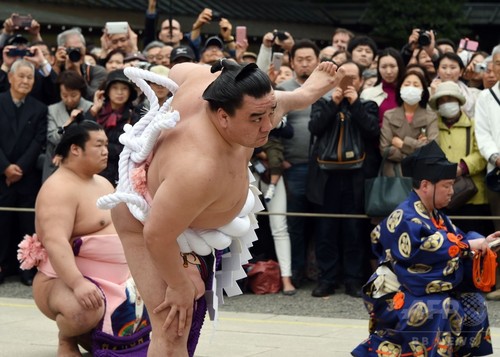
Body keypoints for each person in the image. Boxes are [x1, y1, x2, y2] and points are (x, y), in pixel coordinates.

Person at [105, 59, 343, 356]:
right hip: (148, 221)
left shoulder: (214, 83)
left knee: (268, 105)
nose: (268, 126)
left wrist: (303, 95)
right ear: (222, 116)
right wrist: (177, 284)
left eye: (270, 113)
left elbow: (179, 69)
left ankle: (300, 95)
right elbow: (157, 235)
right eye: (256, 118)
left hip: (190, 213)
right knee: (171, 329)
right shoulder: (198, 168)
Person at [352, 140, 499, 356]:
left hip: (422, 288)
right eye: (446, 186)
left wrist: (484, 243)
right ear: (425, 185)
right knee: (443, 307)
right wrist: (467, 246)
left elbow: (459, 239)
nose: (451, 191)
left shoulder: (438, 216)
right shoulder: (404, 215)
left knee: (472, 302)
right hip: (394, 293)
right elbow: (430, 248)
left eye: (452, 185)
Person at [27, 120, 149, 356]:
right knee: (81, 312)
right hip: (63, 280)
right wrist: (77, 283)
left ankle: (96, 339)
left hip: (117, 278)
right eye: (99, 145)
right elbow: (56, 242)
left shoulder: (102, 182)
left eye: (106, 144)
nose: (106, 150)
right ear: (75, 149)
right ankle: (67, 339)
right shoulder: (58, 188)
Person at [307, 61, 379, 298]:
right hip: (326, 177)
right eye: (342, 77)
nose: (347, 81)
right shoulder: (322, 102)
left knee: (353, 230)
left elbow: (372, 131)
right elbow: (315, 127)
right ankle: (326, 279)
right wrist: (334, 102)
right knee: (325, 230)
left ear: (358, 81)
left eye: (352, 77)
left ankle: (353, 280)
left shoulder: (367, 105)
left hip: (356, 177)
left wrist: (354, 103)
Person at [0, 59, 47, 286]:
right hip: (2, 175)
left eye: (30, 77)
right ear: (10, 77)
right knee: (1, 222)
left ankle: (27, 269)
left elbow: (38, 141)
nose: (26, 81)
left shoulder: (39, 108)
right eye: (22, 76)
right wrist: (5, 167)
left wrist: (19, 168)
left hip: (27, 176)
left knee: (27, 224)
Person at [429, 81, 492, 236]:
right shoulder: (432, 126)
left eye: (450, 99)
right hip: (440, 196)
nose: (446, 104)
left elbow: (482, 153)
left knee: (475, 240)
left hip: (471, 195)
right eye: (442, 101)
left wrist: (462, 167)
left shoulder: (473, 125)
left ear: (459, 101)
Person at [84, 69, 138, 186]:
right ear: (107, 91)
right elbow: (81, 135)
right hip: (91, 170)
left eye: (124, 88)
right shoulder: (97, 111)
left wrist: (100, 148)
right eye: (115, 88)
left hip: (119, 176)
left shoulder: (133, 117)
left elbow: (131, 148)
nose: (120, 92)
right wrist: (93, 110)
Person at [379, 70, 438, 177]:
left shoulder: (431, 117)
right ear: (400, 89)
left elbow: (432, 150)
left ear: (423, 91)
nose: (411, 88)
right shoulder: (389, 115)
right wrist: (418, 146)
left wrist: (402, 144)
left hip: (421, 176)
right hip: (394, 175)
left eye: (416, 85)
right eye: (407, 84)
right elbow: (385, 149)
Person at [42, 70, 93, 181]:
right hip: (54, 166)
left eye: (74, 95)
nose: (69, 99)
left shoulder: (90, 108)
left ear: (81, 92)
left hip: (81, 164)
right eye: (64, 95)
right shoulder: (52, 109)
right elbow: (52, 137)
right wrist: (68, 123)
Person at [53, 28, 107, 101]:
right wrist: (56, 66)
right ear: (61, 50)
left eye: (79, 48)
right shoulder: (55, 69)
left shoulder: (97, 71)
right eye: (71, 49)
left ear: (85, 48)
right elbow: (49, 95)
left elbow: (93, 99)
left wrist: (76, 72)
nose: (77, 52)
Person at [361, 47, 405, 126]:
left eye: (392, 66)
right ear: (378, 69)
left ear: (400, 67)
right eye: (384, 67)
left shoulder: (409, 92)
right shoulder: (368, 94)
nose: (388, 71)